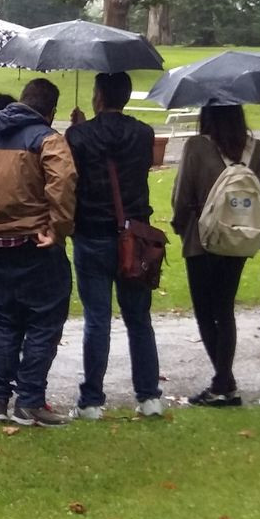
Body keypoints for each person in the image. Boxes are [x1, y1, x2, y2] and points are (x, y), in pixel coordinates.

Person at [0, 79, 76, 427]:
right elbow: (63, 182)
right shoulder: (48, 140)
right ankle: (30, 401)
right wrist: (58, 226)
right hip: (37, 248)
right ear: (49, 111)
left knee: (3, 323)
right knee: (43, 323)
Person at [65, 72, 163, 419]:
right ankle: (149, 395)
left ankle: (92, 400)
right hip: (135, 235)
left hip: (92, 234)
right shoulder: (143, 133)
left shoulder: (79, 137)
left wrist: (76, 130)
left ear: (99, 96)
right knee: (139, 318)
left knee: (97, 319)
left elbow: (74, 178)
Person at [170, 104, 260, 407]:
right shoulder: (256, 150)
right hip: (239, 235)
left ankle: (224, 382)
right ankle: (224, 381)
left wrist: (179, 223)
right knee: (224, 309)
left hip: (203, 236)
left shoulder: (197, 146)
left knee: (205, 311)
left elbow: (182, 193)